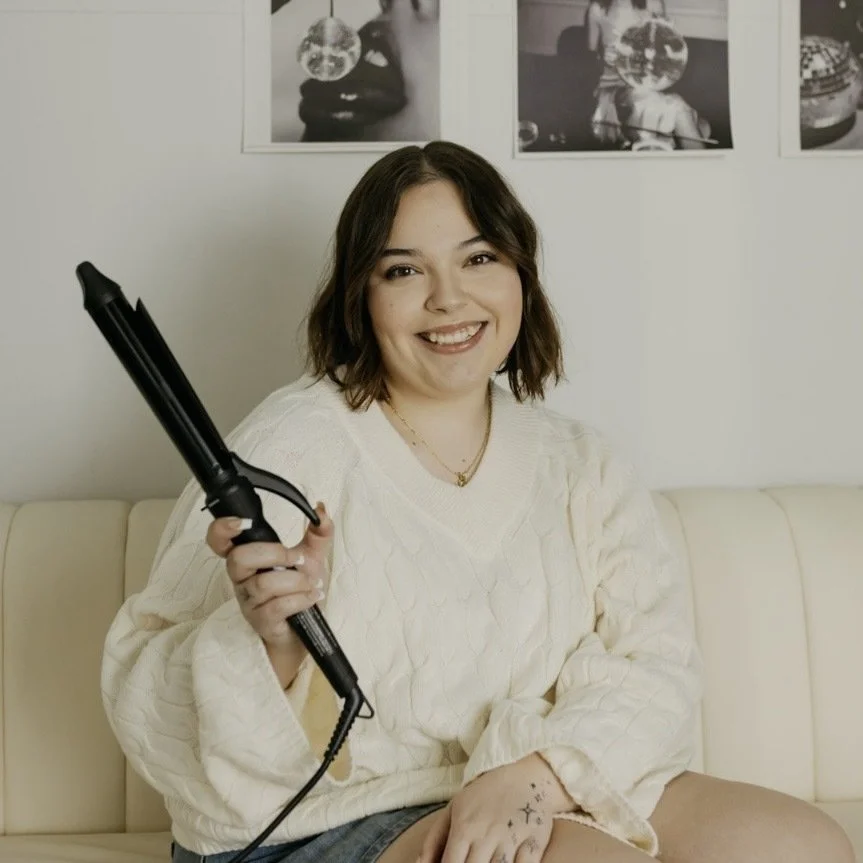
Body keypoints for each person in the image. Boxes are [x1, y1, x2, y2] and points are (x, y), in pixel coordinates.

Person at [100, 141, 855, 863]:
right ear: (361, 296)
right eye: (403, 270)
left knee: (805, 846)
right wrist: (272, 642)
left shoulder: (582, 462)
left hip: (529, 777)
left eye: (479, 258)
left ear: (520, 272)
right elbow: (149, 688)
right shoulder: (292, 441)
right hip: (320, 821)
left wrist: (536, 777)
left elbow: (652, 663)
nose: (448, 298)